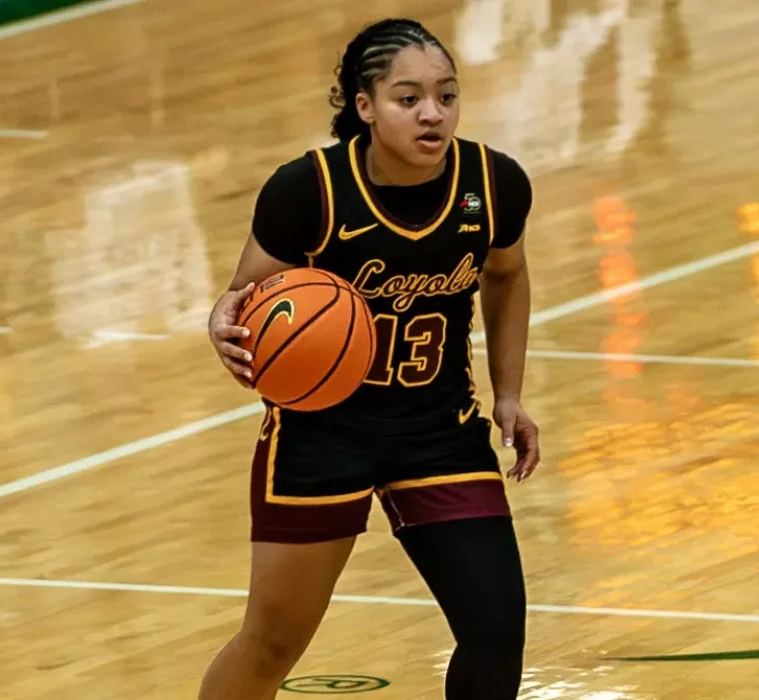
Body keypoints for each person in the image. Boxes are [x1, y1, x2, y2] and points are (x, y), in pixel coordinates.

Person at [200, 17, 540, 700]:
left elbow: (506, 273)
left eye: (446, 96)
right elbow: (245, 296)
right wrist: (221, 318)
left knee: (496, 629)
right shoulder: (308, 190)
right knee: (271, 644)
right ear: (364, 106)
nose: (432, 113)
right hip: (321, 435)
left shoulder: (492, 183)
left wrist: (508, 394)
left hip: (438, 431)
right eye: (408, 98)